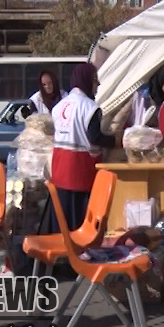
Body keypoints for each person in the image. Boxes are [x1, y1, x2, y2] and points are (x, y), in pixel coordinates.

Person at [50, 63, 115, 231]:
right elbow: (95, 138)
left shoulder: (60, 106)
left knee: (62, 219)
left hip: (59, 167)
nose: (98, 85)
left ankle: (63, 252)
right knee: (79, 221)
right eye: (95, 80)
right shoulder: (90, 108)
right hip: (79, 170)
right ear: (86, 81)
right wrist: (116, 141)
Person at [110, 63, 164, 133]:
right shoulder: (141, 94)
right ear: (162, 78)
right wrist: (115, 133)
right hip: (135, 137)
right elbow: (123, 113)